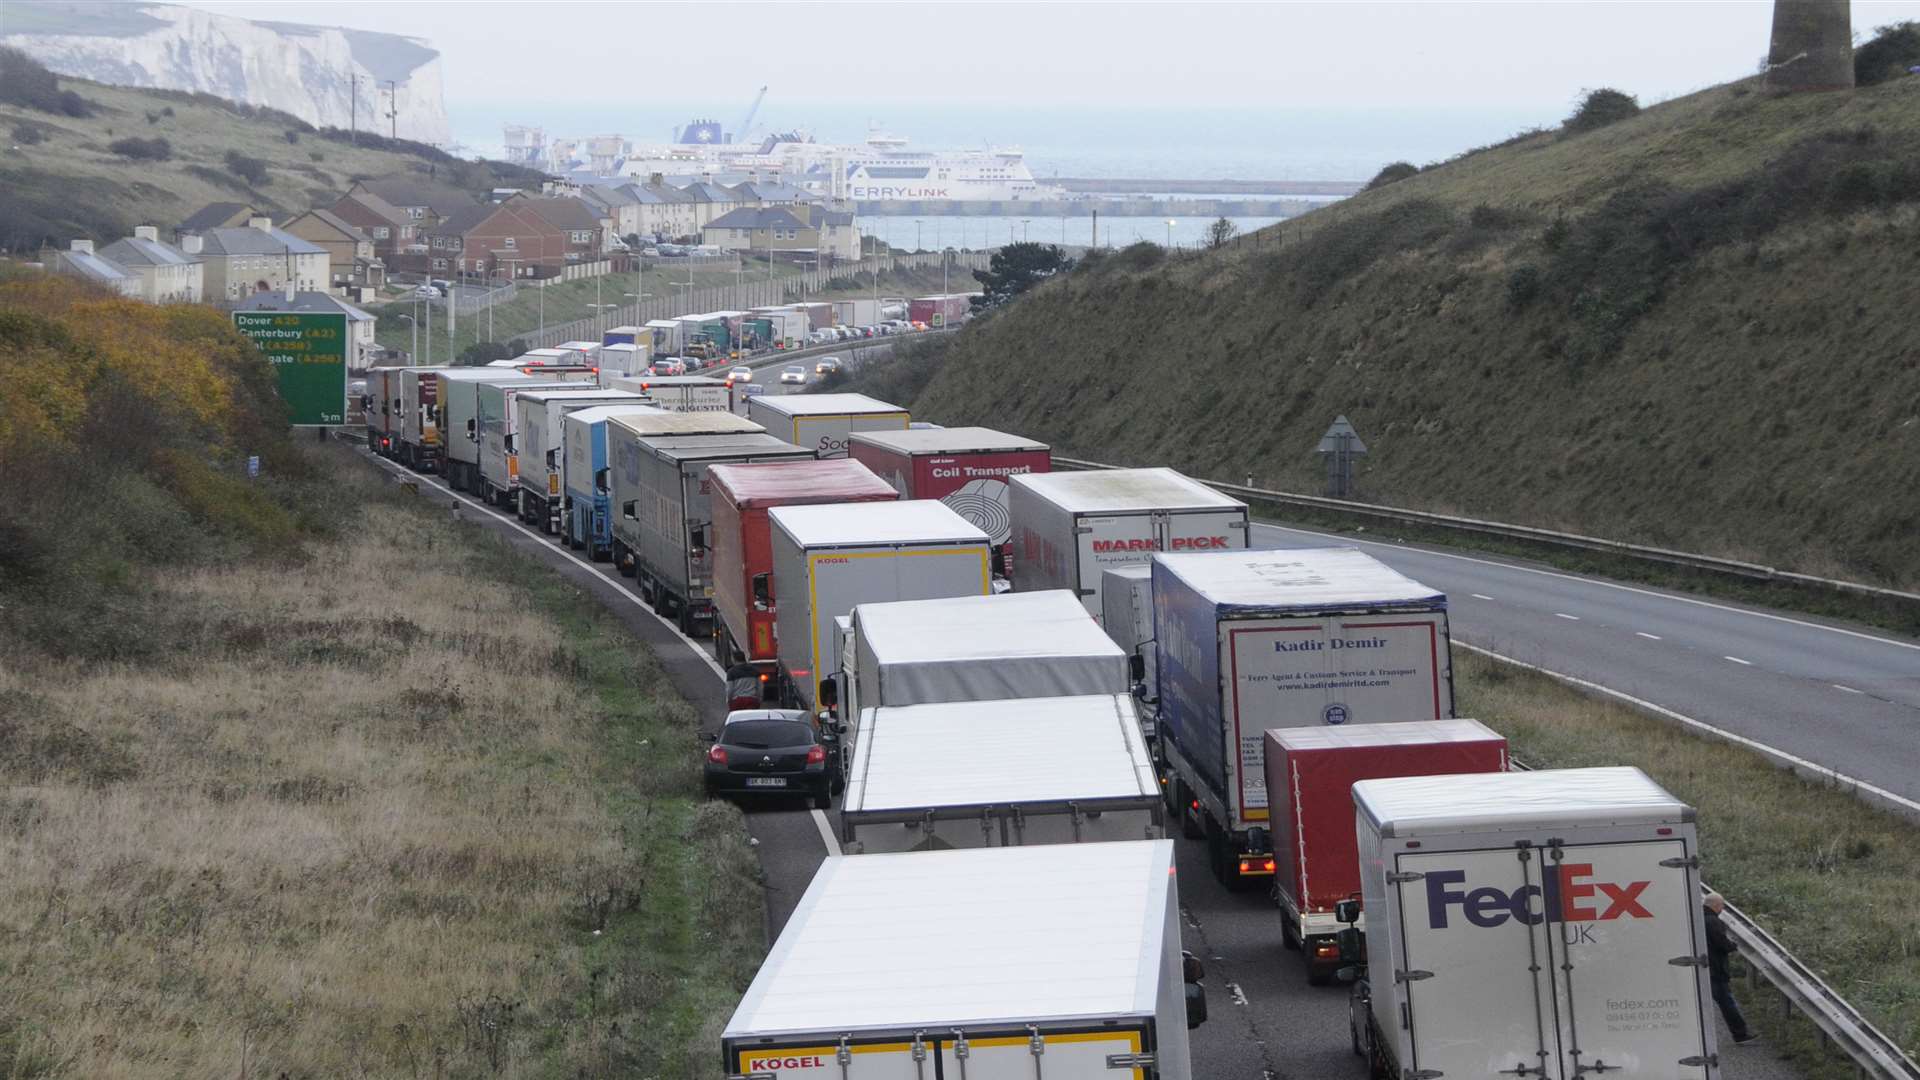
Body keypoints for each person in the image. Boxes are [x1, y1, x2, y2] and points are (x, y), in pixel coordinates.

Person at [1704, 892, 1760, 1044]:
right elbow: (1722, 944)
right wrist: (1733, 946)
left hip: (1702, 968)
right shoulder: (1713, 922)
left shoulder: (1697, 919)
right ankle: (1740, 1034)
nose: (1722, 908)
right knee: (1727, 1002)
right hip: (1716, 970)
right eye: (1722, 905)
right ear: (1716, 905)